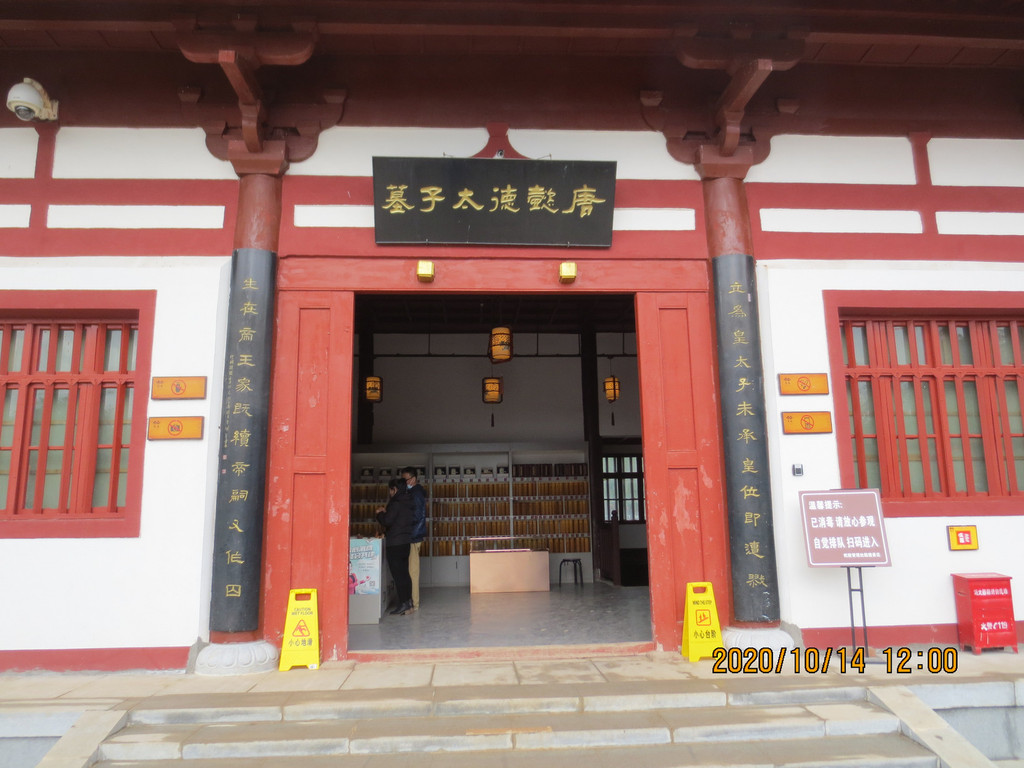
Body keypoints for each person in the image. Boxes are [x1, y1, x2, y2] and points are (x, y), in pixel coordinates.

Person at [375, 477, 416, 616]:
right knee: (405, 574)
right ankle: (409, 603)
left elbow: (387, 521)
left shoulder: (396, 503)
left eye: (391, 490)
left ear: (395, 489)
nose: (390, 493)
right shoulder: (409, 501)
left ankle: (403, 604)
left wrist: (380, 514)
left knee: (398, 576)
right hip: (406, 542)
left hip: (395, 543)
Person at [401, 466, 428, 610]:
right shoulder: (414, 493)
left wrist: (409, 531)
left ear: (413, 479)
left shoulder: (416, 494)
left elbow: (418, 516)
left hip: (413, 536)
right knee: (411, 570)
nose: (404, 483)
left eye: (405, 480)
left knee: (413, 571)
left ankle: (414, 603)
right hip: (413, 535)